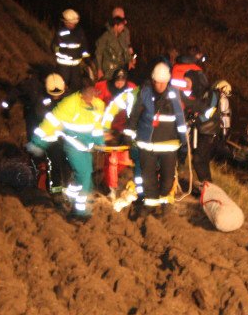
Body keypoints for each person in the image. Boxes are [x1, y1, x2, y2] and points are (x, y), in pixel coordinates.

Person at [28, 77, 105, 221]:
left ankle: (76, 201)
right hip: (72, 145)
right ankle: (79, 210)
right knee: (82, 175)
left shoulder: (98, 105)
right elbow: (51, 122)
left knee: (86, 177)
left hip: (86, 148)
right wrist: (37, 141)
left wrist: (100, 141)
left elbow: (97, 126)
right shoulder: (69, 104)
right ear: (82, 96)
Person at [124, 63, 187, 218]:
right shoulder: (144, 93)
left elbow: (180, 119)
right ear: (152, 80)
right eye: (157, 82)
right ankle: (150, 204)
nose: (160, 86)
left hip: (169, 145)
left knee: (167, 177)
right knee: (148, 177)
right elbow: (135, 116)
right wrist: (128, 134)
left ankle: (165, 203)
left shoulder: (174, 94)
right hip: (147, 144)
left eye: (163, 82)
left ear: (168, 81)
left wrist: (184, 143)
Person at [96, 68, 138, 198]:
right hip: (109, 128)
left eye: (122, 81)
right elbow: (99, 108)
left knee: (126, 157)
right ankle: (109, 185)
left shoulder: (132, 89)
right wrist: (103, 129)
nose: (119, 84)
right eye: (117, 81)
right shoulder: (102, 88)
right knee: (112, 156)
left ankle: (112, 180)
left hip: (127, 128)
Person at [1, 71, 66, 140]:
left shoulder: (59, 85)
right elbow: (15, 92)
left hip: (48, 109)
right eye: (54, 95)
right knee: (34, 134)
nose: (56, 97)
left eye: (58, 95)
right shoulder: (31, 87)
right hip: (32, 111)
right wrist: (6, 107)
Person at [52, 8, 91, 93]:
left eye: (73, 23)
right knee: (62, 86)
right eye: (69, 23)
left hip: (76, 66)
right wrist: (63, 51)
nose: (71, 25)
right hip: (63, 66)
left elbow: (84, 46)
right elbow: (54, 47)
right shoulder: (60, 32)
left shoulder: (79, 32)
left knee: (76, 86)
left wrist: (87, 60)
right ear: (65, 21)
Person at [95, 16, 132, 81]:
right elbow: (99, 53)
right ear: (115, 26)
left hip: (120, 67)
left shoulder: (121, 37)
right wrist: (99, 69)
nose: (123, 28)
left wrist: (129, 60)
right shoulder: (105, 37)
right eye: (121, 26)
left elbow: (125, 50)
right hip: (108, 69)